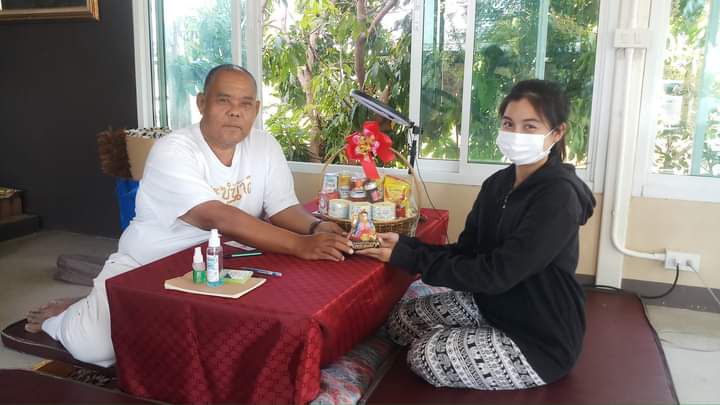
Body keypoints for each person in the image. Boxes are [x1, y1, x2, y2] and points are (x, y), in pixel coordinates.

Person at [25, 64, 353, 367]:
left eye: (245, 103)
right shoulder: (174, 149)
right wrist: (300, 245)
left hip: (223, 262)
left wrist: (316, 227)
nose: (235, 111)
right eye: (224, 100)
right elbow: (217, 217)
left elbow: (282, 207)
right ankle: (68, 317)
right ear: (201, 103)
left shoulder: (265, 145)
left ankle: (94, 304)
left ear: (255, 109)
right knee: (95, 348)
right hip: (149, 262)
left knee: (242, 337)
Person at [358, 79, 596, 390]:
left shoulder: (559, 197)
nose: (516, 134)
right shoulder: (497, 184)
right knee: (400, 322)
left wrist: (409, 258)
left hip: (538, 337)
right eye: (508, 124)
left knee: (424, 355)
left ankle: (474, 343)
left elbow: (497, 274)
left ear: (557, 132)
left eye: (530, 126)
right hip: (490, 305)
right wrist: (405, 246)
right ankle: (472, 335)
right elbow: (467, 251)